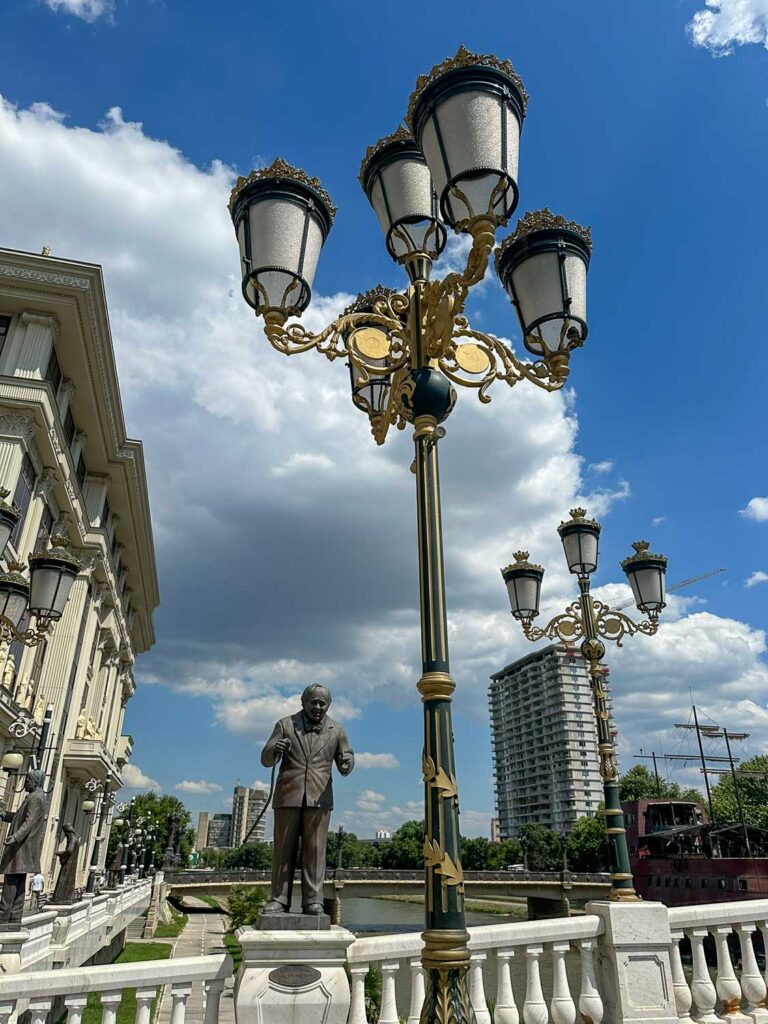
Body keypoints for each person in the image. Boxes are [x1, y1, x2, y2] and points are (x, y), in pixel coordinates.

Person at [260, 684, 354, 915]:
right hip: (288, 795)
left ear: (328, 705)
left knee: (315, 850)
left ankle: (313, 901)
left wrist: (347, 762)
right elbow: (265, 758)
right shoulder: (285, 724)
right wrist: (275, 748)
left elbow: (347, 755)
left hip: (319, 799)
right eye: (314, 702)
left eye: (323, 703)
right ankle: (279, 899)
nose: (318, 707)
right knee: (283, 850)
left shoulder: (337, 730)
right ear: (303, 702)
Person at [0, 769, 47, 926]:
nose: (25, 782)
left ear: (34, 781)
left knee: (11, 880)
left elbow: (29, 822)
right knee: (19, 880)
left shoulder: (36, 798)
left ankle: (3, 914)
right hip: (25, 847)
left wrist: (15, 837)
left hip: (22, 847)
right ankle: (14, 915)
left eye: (27, 779)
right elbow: (20, 818)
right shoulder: (36, 797)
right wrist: (4, 814)